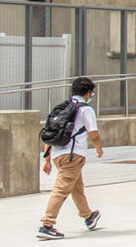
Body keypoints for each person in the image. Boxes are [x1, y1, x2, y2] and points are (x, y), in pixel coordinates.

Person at [38, 76, 104, 241]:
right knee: (62, 189)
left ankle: (88, 216)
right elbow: (93, 133)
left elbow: (51, 133)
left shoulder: (62, 108)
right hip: (73, 156)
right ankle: (47, 225)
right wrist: (99, 149)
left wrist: (46, 159)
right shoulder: (85, 109)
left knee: (76, 187)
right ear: (88, 92)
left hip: (58, 155)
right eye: (91, 93)